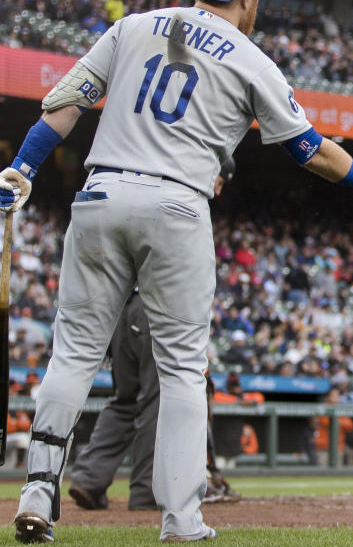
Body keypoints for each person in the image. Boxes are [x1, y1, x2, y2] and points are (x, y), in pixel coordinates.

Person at [2, 0, 353, 544]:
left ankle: (38, 496)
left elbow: (64, 104)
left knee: (72, 355)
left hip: (99, 195)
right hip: (177, 203)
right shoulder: (252, 59)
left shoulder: (131, 25)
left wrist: (21, 168)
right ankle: (181, 520)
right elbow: (308, 151)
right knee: (180, 370)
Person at [67, 160, 237, 513]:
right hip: (153, 310)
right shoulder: (183, 198)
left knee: (124, 399)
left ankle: (89, 479)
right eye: (220, 180)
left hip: (123, 311)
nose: (219, 189)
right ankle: (147, 491)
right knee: (156, 402)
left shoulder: (149, 186)